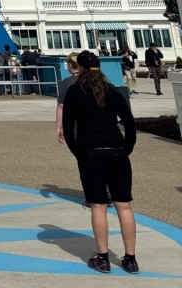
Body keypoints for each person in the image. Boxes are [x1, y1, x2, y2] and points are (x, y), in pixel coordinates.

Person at [62, 50, 138, 275]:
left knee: (98, 205)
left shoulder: (75, 91)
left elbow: (68, 128)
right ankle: (130, 259)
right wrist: (128, 147)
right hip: (116, 150)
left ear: (80, 68)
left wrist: (77, 151)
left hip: (89, 151)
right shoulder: (111, 90)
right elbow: (129, 121)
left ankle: (103, 257)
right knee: (124, 205)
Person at [55, 52, 79, 143]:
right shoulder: (94, 79)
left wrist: (59, 128)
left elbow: (61, 106)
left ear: (69, 65)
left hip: (77, 124)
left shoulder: (67, 82)